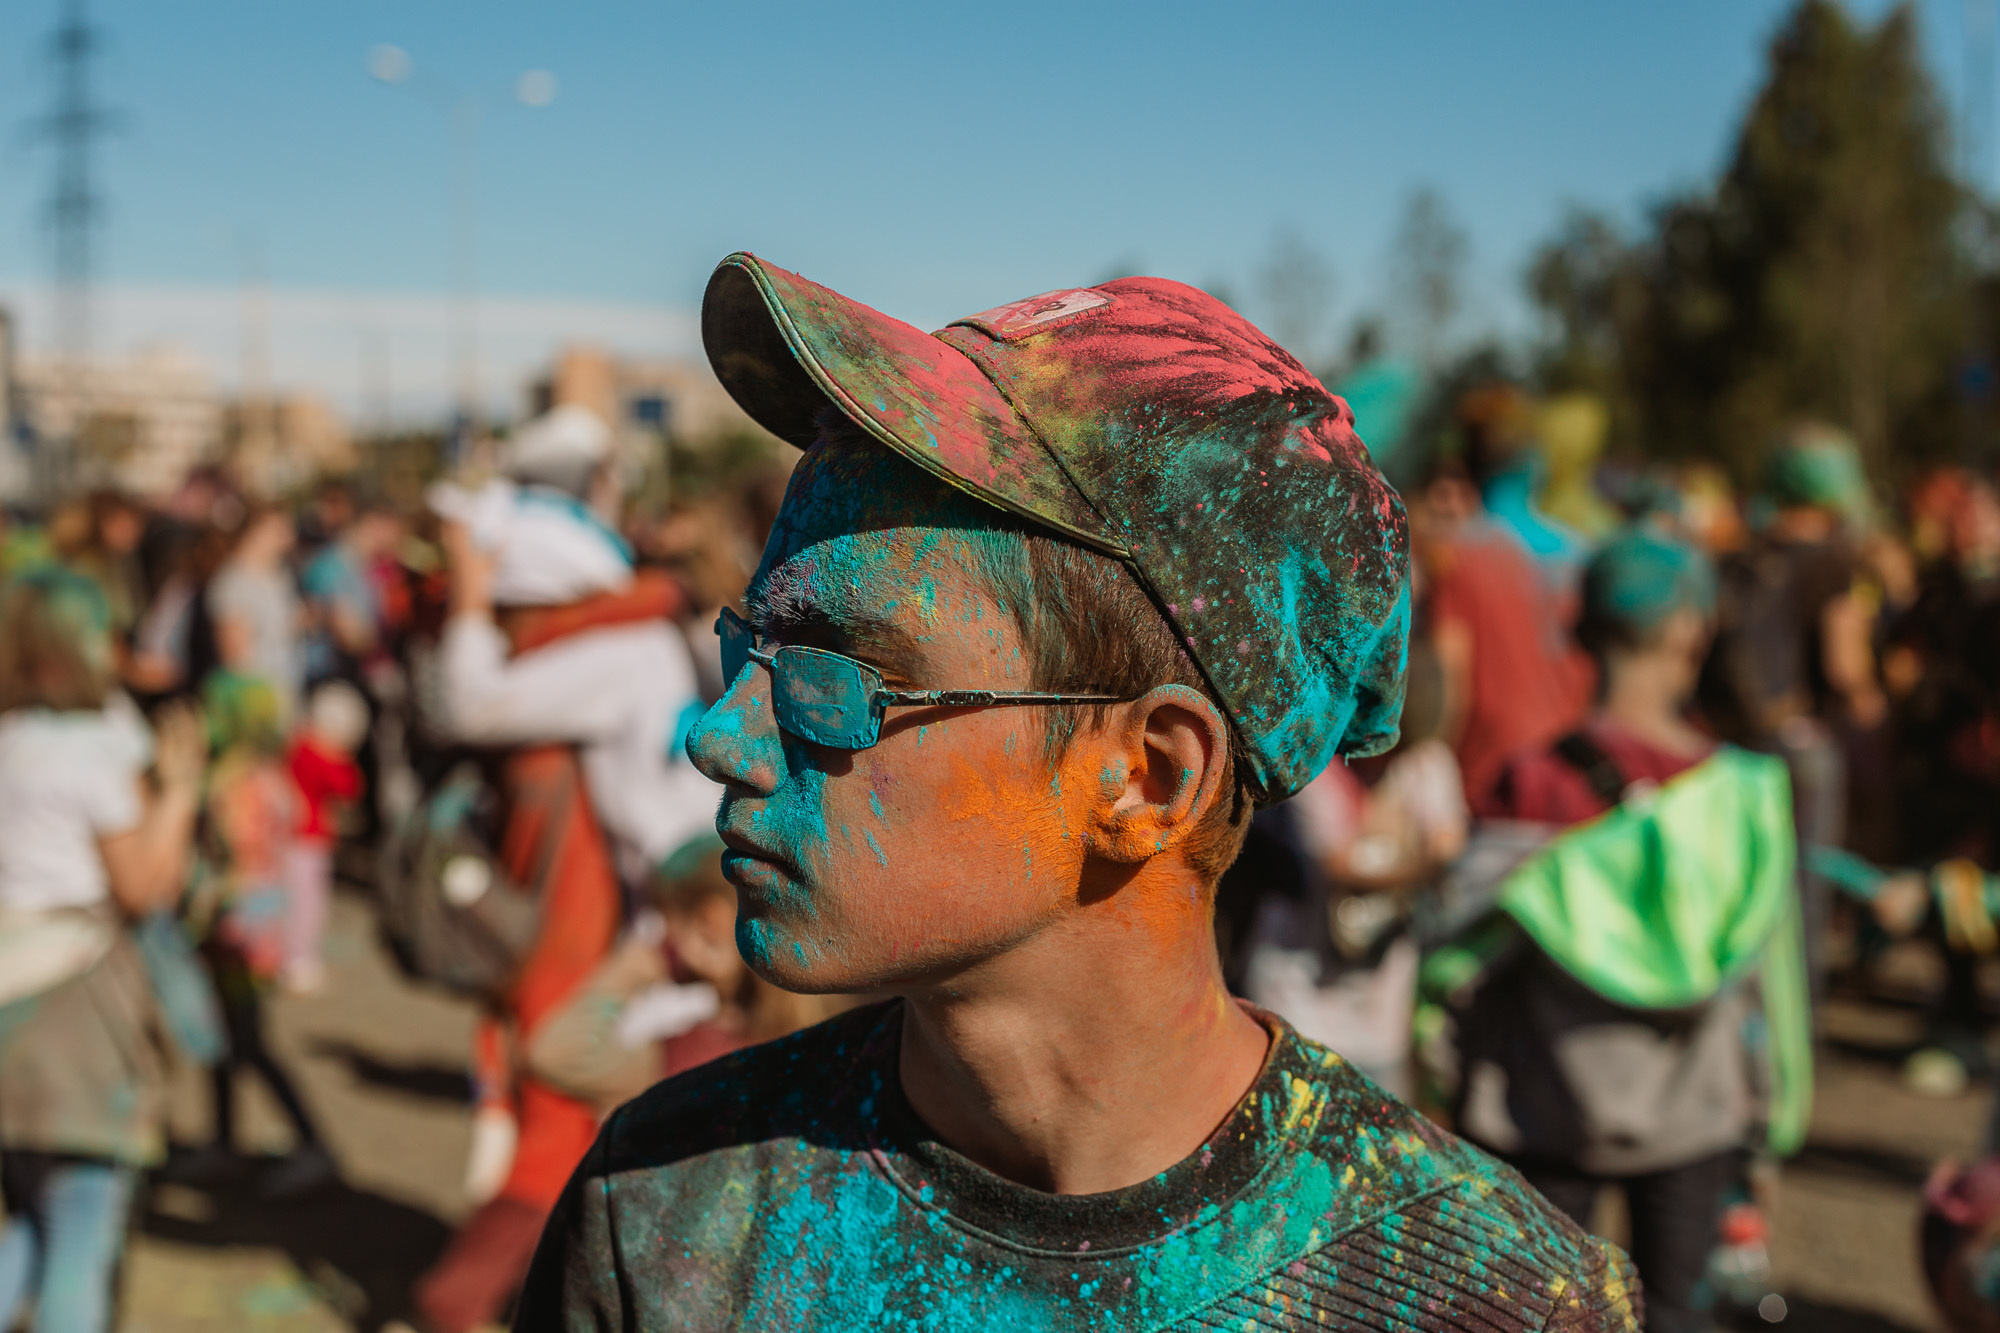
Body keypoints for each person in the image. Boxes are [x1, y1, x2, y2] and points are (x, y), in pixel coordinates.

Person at [515, 254, 1639, 1330]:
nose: (720, 736)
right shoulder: (663, 1216)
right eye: (747, 647)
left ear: (1148, 777)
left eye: (832, 674)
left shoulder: (1484, 1297)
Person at [1429, 530, 1811, 1333]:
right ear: (1689, 630)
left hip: (1544, 1104)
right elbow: (1771, 978)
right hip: (1697, 1107)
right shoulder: (1745, 795)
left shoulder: (1531, 783)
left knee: (1544, 1309)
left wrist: (1436, 1072)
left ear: (1583, 631)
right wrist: (1773, 1125)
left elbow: (1454, 958)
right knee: (1677, 1308)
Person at [408, 403, 720, 1333]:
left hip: (678, 945)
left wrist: (470, 599)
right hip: (667, 932)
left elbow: (469, 702)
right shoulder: (632, 636)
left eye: (515, 611)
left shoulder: (615, 652)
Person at [0, 567, 207, 1333]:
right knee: (82, 1228)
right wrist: (180, 789)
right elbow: (145, 887)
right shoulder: (90, 748)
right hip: (73, 1005)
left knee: (34, 1215)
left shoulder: (10, 737)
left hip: (10, 992)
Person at [523, 838, 849, 1115]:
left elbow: (556, 1055)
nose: (661, 940)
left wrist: (638, 967)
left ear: (710, 924)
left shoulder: (689, 1060)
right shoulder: (842, 1030)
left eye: (666, 924)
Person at [184, 670, 339, 1198]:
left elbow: (235, 854)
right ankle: (223, 1140)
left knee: (247, 1041)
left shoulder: (231, 782)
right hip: (259, 924)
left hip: (236, 931)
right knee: (226, 1038)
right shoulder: (271, 775)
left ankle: (314, 1145)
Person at [283, 679, 369, 994]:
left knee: (298, 901)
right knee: (306, 904)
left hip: (298, 839)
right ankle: (298, 962)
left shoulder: (296, 746)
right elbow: (350, 787)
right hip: (307, 840)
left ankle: (295, 958)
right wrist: (343, 758)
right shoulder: (318, 755)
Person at [208, 504, 304, 720]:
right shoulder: (233, 583)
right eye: (279, 529)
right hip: (258, 703)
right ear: (255, 530)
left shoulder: (280, 575)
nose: (289, 537)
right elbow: (236, 660)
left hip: (286, 692)